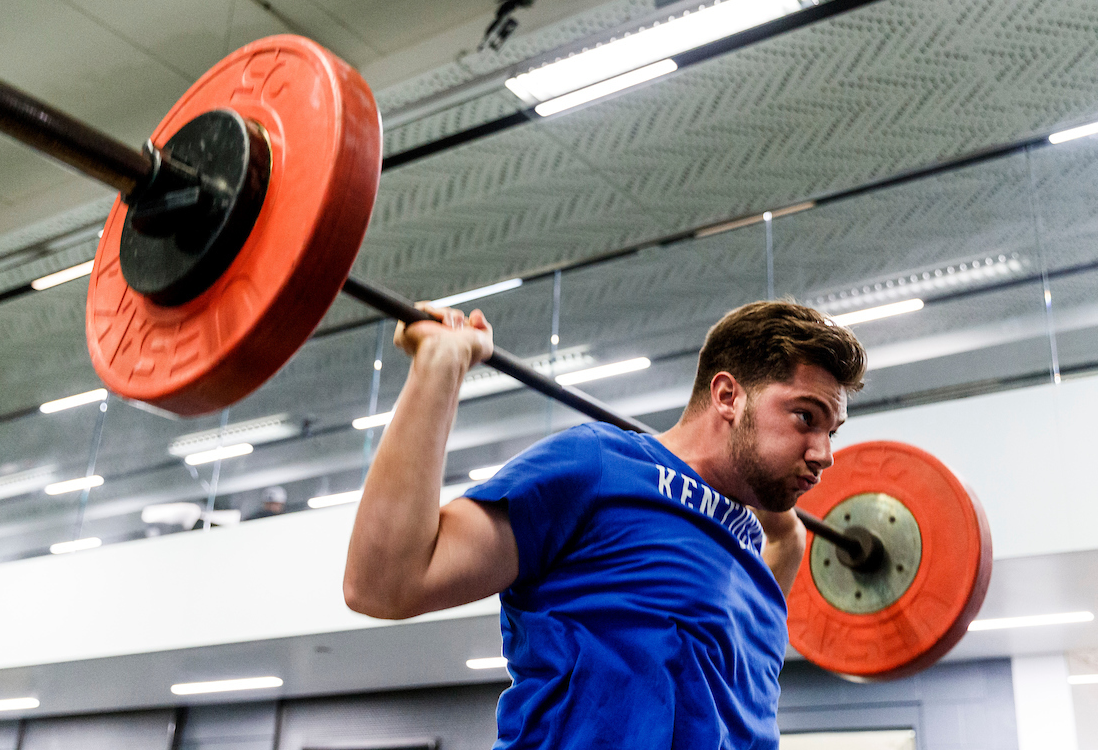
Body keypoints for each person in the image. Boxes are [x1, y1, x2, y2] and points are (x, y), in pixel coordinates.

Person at [344, 300, 866, 749]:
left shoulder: (750, 549)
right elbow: (384, 583)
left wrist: (766, 497)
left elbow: (788, 538)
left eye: (832, 431)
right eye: (805, 417)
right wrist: (438, 369)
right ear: (728, 396)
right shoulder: (599, 466)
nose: (824, 454)